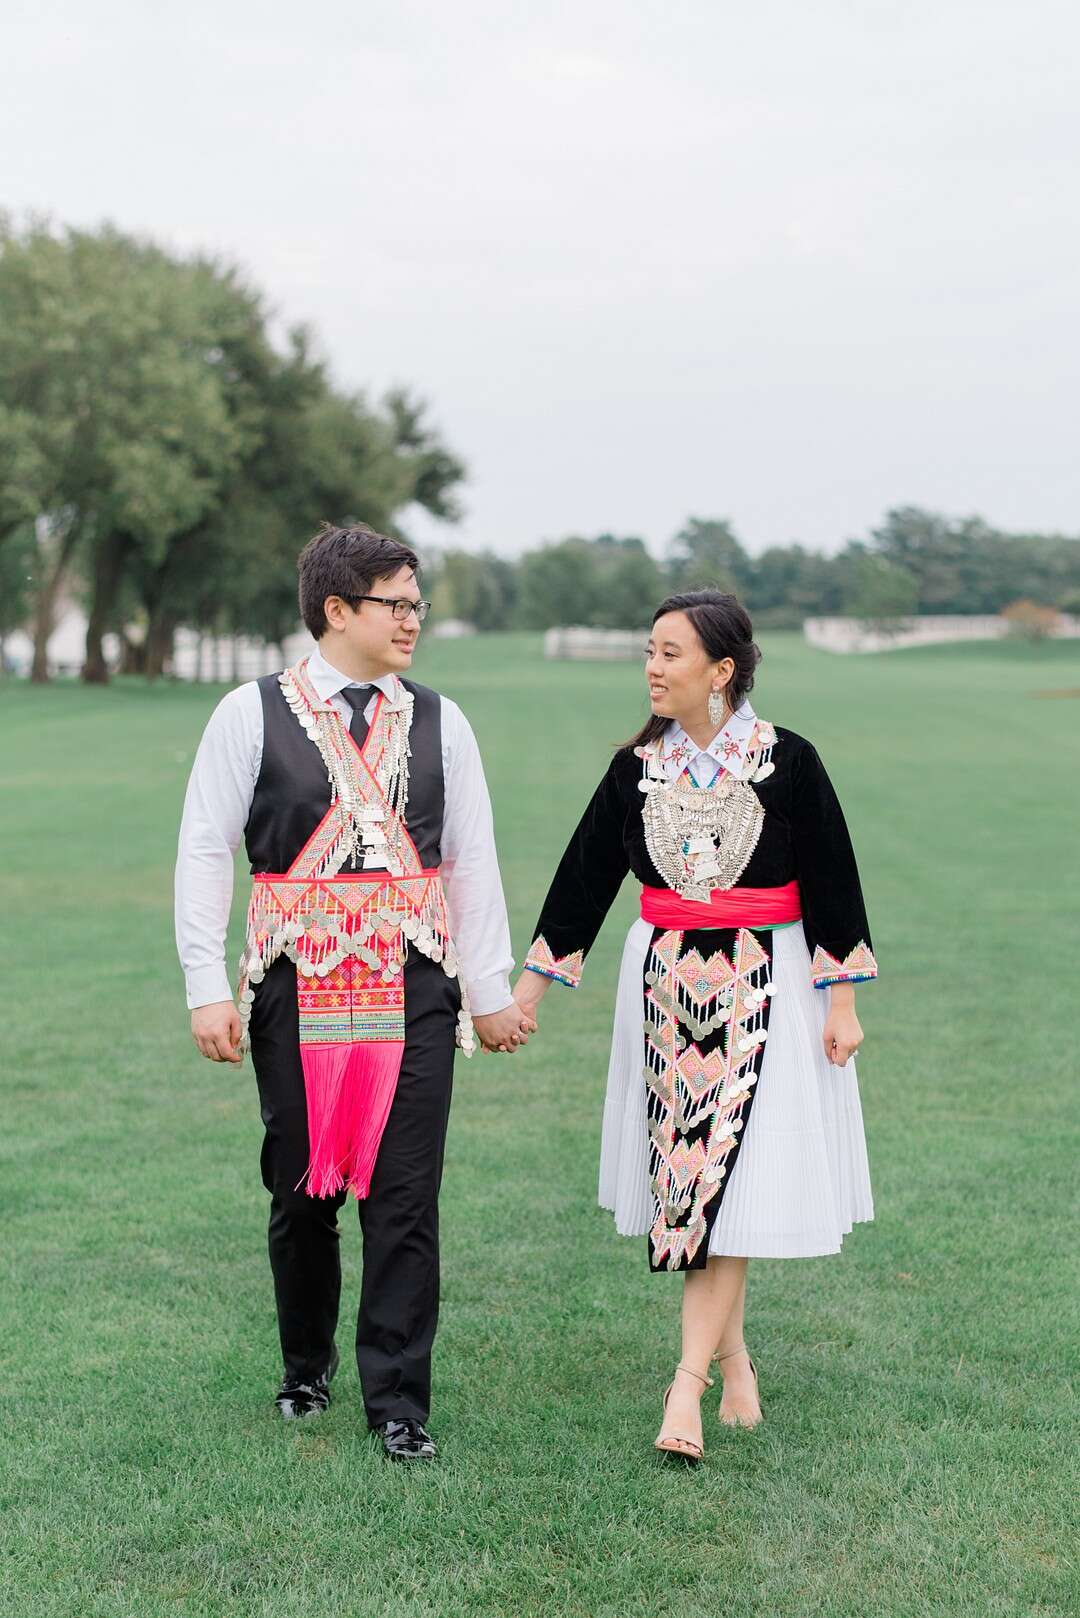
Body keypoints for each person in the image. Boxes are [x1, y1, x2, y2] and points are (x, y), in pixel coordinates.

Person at [175, 522, 534, 1461]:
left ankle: (399, 1402)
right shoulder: (247, 715)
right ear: (337, 611)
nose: (415, 620)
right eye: (397, 604)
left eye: (418, 602)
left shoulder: (444, 721)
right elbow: (208, 849)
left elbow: (473, 863)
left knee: (406, 1197)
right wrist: (204, 984)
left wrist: (488, 993)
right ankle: (306, 1365)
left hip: (417, 985)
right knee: (300, 1192)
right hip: (295, 984)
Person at [513, 590, 876, 1463]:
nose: (652, 666)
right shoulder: (634, 769)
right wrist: (529, 992)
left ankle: (688, 1385)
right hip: (663, 988)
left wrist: (843, 1001)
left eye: (670, 653)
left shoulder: (789, 761)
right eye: (649, 650)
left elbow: (834, 879)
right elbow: (583, 880)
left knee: (726, 1178)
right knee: (699, 1188)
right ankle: (738, 1357)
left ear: (722, 671)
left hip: (769, 983)